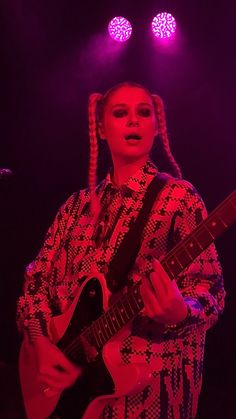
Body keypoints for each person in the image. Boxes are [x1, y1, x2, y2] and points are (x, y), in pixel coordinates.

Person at [16, 82, 225, 419]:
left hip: (147, 398)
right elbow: (36, 283)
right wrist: (40, 342)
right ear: (101, 128)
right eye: (120, 113)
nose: (134, 121)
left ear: (156, 127)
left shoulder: (179, 199)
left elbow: (210, 290)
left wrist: (181, 312)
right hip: (74, 394)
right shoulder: (75, 207)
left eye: (144, 113)